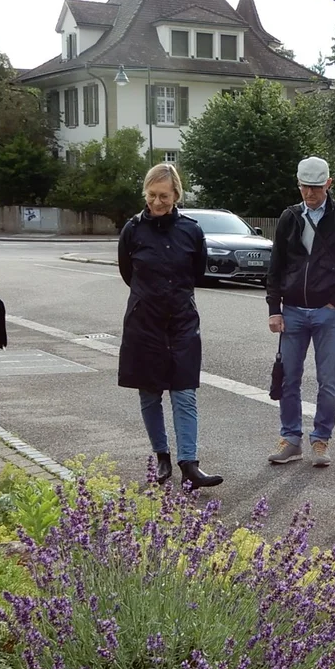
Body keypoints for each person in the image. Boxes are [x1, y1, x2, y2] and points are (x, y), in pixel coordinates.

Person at [116, 164, 220, 489]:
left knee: (184, 392)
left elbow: (197, 272)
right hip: (144, 321)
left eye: (164, 196)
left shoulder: (191, 230)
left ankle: (189, 462)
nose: (157, 202)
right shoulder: (132, 230)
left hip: (182, 322)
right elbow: (127, 273)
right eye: (151, 196)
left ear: (176, 195)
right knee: (149, 392)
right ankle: (161, 457)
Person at [266, 157, 335, 468]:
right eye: (304, 187)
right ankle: (291, 438)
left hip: (326, 312)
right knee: (288, 379)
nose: (309, 194)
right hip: (293, 310)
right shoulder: (290, 217)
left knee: (328, 380)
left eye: (315, 187)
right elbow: (276, 265)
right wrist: (274, 308)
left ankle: (321, 438)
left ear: (328, 184)